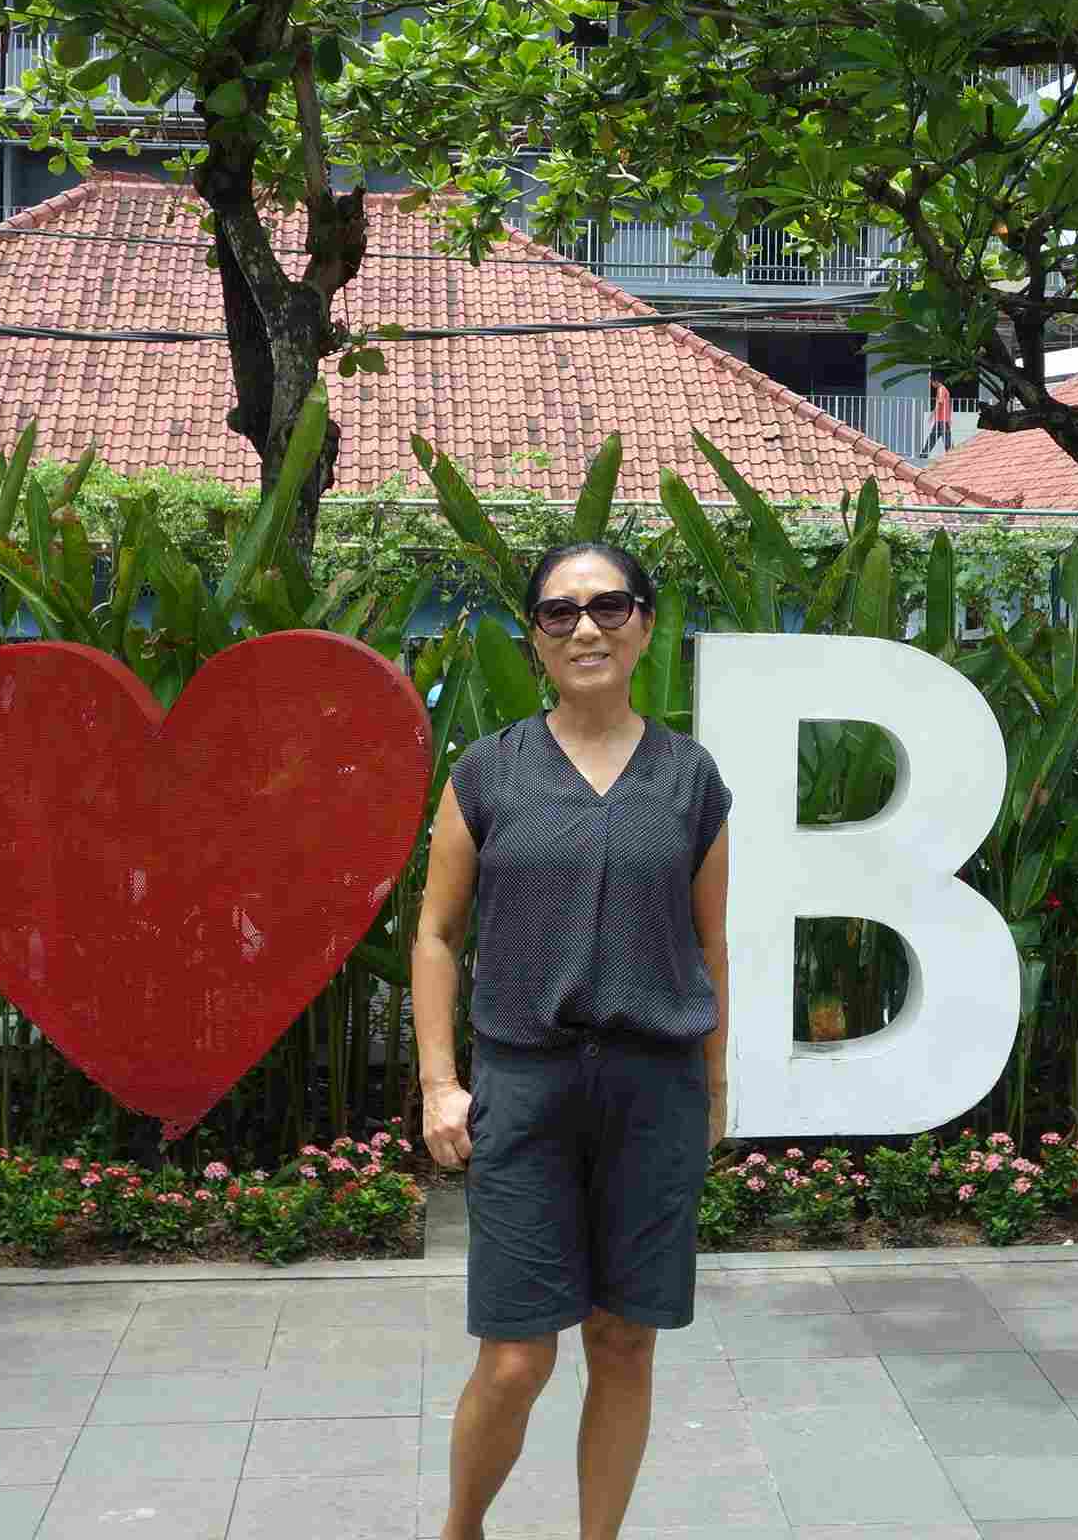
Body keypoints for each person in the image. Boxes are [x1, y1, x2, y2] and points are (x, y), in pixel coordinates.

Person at [413, 541, 732, 1540]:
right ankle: (462, 1528)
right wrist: (438, 1085)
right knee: (517, 1356)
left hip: (653, 1090)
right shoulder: (488, 772)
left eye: (609, 606)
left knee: (624, 1341)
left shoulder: (689, 778)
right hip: (527, 1089)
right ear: (536, 635)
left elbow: (711, 944)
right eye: (561, 612)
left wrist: (716, 1092)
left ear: (644, 623)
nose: (586, 627)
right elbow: (435, 934)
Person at [922, 377, 955, 456]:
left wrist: (932, 414)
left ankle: (951, 455)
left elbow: (940, 402)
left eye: (932, 382)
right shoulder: (944, 389)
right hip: (942, 419)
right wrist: (949, 418)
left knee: (944, 439)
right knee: (935, 437)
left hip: (942, 419)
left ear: (936, 381)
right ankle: (924, 454)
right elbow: (949, 405)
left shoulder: (941, 389)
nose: (931, 385)